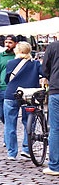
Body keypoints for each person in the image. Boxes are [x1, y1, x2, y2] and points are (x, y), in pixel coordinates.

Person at [1, 41, 42, 161]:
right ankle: (26, 148)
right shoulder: (35, 64)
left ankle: (11, 153)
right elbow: (44, 73)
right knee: (29, 122)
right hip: (29, 96)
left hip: (11, 94)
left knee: (10, 124)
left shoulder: (11, 63)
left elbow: (6, 79)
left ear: (19, 51)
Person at [40, 39, 59, 176]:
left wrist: (51, 76)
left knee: (55, 128)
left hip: (56, 89)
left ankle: (55, 166)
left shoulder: (53, 46)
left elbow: (45, 68)